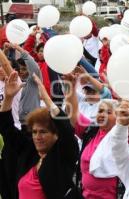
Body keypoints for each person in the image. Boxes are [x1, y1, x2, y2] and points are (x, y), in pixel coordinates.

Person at [0, 71, 79, 199]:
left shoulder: (63, 155)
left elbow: (67, 130)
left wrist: (46, 98)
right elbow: (6, 128)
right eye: (35, 132)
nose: (37, 136)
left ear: (56, 135)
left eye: (43, 132)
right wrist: (8, 98)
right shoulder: (29, 150)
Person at [64, 73, 129, 199]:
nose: (102, 114)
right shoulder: (91, 131)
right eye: (100, 111)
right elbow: (74, 115)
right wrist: (71, 87)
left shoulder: (124, 134)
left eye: (108, 112)